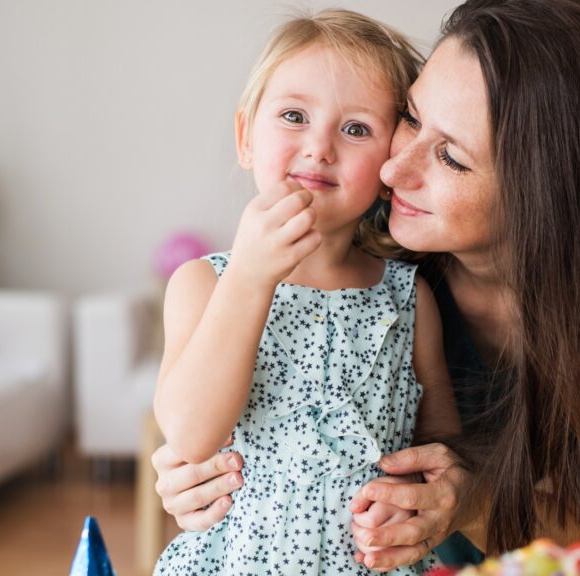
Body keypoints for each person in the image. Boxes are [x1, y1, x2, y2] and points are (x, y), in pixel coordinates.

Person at [151, 0, 580, 571]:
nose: (394, 169)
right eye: (412, 119)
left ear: (540, 198)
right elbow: (214, 416)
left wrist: (464, 497)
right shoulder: (389, 241)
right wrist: (194, 471)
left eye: (452, 158)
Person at [150, 9, 459, 575]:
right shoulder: (205, 283)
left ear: (390, 161)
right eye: (294, 116)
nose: (319, 147)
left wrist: (410, 499)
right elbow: (191, 434)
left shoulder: (410, 298)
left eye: (356, 128)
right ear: (246, 137)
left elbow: (439, 443)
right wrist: (250, 276)